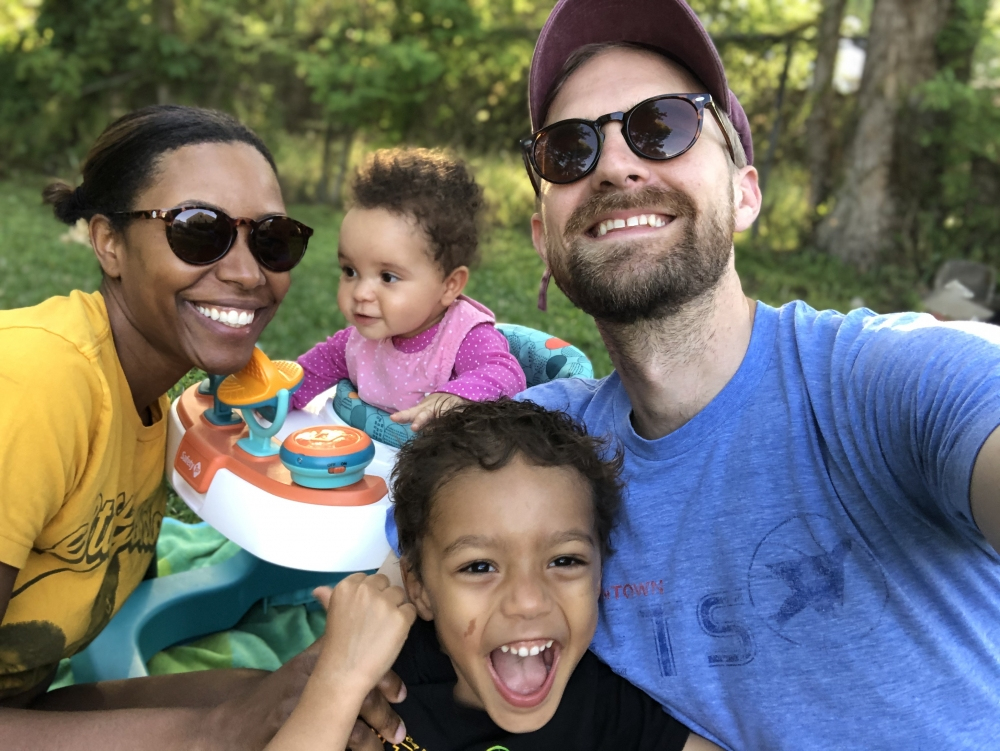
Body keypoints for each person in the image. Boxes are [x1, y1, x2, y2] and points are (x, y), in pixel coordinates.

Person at [363, 0, 1000, 748]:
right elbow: (399, 577)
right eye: (570, 150)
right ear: (544, 236)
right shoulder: (542, 451)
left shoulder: (881, 381)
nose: (616, 165)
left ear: (745, 191)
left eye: (662, 125)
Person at [0, 104, 320, 750]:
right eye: (200, 231)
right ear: (107, 242)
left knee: (301, 700)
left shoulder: (154, 399)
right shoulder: (40, 381)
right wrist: (209, 732)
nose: (247, 272)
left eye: (272, 238)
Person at [267, 400, 721, 751]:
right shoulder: (382, 678)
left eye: (565, 561)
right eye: (479, 566)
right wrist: (338, 682)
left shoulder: (604, 705)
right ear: (419, 587)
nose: (528, 601)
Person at [291, 148, 526, 431]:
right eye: (350, 271)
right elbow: (303, 377)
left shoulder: (463, 338)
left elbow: (506, 375)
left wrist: (452, 397)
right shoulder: (356, 343)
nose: (361, 293)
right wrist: (272, 396)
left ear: (449, 286)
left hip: (444, 468)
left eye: (387, 277)